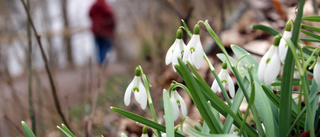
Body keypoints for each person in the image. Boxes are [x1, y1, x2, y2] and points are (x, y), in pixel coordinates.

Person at [89, 0, 115, 66]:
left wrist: (95, 23)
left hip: (96, 32)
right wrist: (112, 26)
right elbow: (111, 17)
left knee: (99, 49)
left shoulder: (94, 6)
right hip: (105, 32)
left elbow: (89, 14)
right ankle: (104, 66)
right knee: (105, 49)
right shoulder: (105, 5)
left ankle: (100, 65)